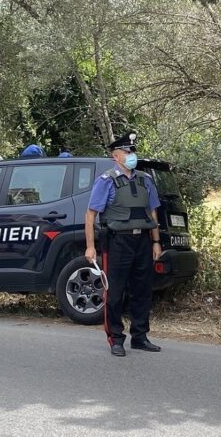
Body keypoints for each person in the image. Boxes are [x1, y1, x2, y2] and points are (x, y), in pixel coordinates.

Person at [84, 132, 163, 356]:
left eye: (133, 151)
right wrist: (90, 246)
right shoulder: (106, 181)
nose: (132, 155)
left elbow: (152, 212)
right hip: (118, 242)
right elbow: (90, 215)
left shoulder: (145, 180)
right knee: (115, 291)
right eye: (127, 152)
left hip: (143, 242)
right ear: (116, 156)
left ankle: (140, 336)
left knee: (142, 290)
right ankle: (115, 338)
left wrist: (156, 242)